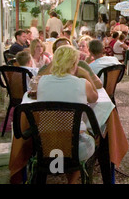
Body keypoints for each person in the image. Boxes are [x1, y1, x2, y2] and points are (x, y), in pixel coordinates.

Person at [36, 45, 98, 184]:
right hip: (76, 147)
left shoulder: (42, 81)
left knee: (66, 140)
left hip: (45, 143)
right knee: (93, 135)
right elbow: (95, 98)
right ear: (75, 63)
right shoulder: (82, 83)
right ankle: (72, 180)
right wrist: (87, 74)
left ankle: (56, 169)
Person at [38, 37, 103, 90]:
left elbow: (98, 84)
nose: (65, 52)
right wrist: (53, 63)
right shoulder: (48, 67)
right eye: (61, 50)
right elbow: (36, 84)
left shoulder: (80, 65)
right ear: (55, 53)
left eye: (68, 49)